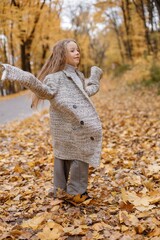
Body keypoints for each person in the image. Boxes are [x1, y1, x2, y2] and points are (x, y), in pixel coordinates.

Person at [0, 39, 103, 203]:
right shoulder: (54, 78)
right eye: (72, 50)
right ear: (62, 55)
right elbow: (43, 92)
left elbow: (88, 91)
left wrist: (95, 76)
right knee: (63, 157)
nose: (77, 53)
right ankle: (61, 191)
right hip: (64, 126)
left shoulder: (78, 75)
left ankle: (76, 191)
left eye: (78, 50)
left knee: (80, 155)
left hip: (79, 125)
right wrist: (20, 75)